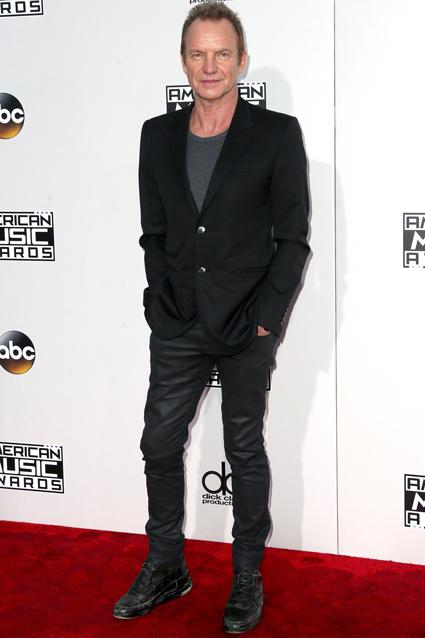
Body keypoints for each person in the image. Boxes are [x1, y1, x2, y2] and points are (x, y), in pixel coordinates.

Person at [113, 3, 310, 634]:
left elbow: (293, 239)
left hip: (246, 322)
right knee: (158, 442)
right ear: (183, 62)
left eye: (222, 53)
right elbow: (154, 231)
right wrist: (159, 297)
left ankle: (246, 572)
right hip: (178, 321)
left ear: (242, 61)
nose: (210, 65)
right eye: (198, 54)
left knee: (244, 447)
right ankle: (166, 563)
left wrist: (267, 319)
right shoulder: (157, 135)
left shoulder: (276, 134)